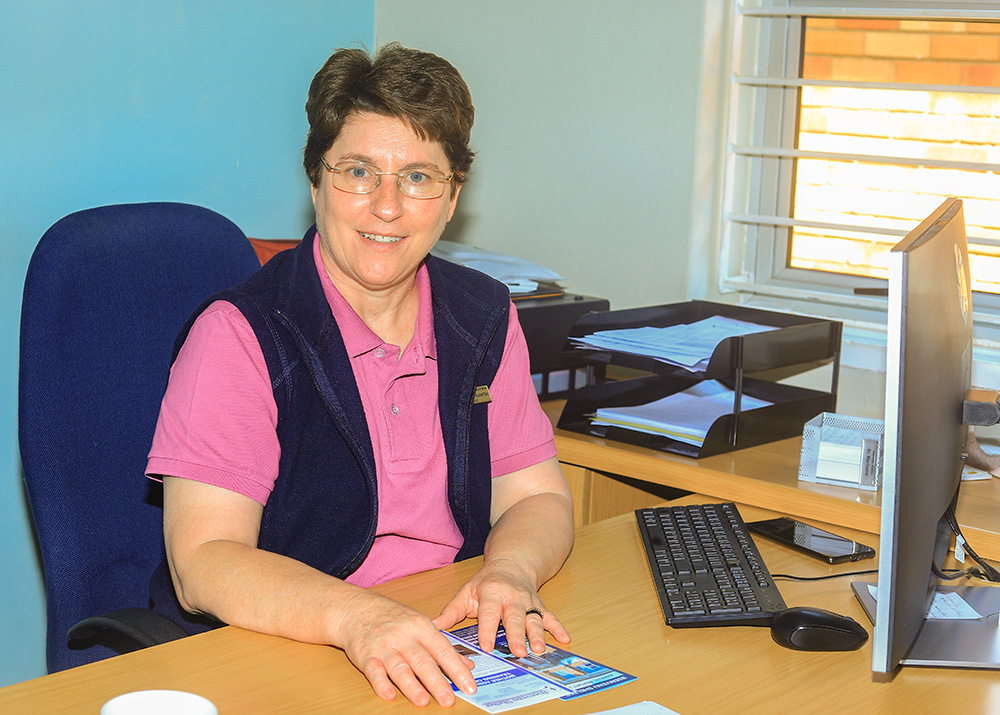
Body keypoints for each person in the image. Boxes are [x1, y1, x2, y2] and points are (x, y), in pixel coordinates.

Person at [145, 43, 574, 707]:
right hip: (293, 641)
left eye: (418, 177)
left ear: (453, 195)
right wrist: (362, 618)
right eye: (359, 171)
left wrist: (510, 571)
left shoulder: (484, 316)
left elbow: (536, 498)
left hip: (442, 631)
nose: (387, 207)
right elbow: (203, 561)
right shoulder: (241, 334)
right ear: (315, 178)